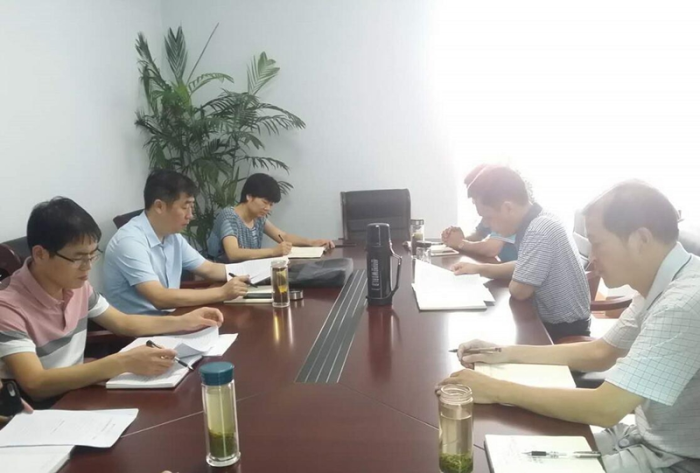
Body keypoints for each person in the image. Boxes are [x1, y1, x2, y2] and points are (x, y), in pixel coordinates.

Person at [442, 181, 700, 473]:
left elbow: (606, 408)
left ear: (641, 239)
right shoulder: (662, 282)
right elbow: (600, 352)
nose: (593, 258)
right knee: (511, 450)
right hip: (641, 437)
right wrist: (501, 352)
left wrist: (496, 389)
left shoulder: (682, 304)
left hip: (673, 459)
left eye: (598, 243)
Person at [0, 198, 224, 401]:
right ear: (40, 254)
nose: (88, 267)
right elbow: (36, 384)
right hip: (40, 411)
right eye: (78, 258)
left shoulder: (76, 285)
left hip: (80, 391)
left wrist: (184, 321)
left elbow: (123, 323)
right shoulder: (7, 305)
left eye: (92, 255)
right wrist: (122, 362)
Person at [451, 165, 590, 340]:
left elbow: (519, 291)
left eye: (488, 217)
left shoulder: (538, 230)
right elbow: (523, 265)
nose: (486, 224)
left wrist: (506, 275)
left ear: (508, 208)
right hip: (558, 323)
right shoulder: (541, 218)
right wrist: (479, 269)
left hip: (562, 332)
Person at [103, 170, 249, 315]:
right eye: (185, 207)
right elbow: (159, 297)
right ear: (159, 206)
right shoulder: (129, 242)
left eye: (191, 208)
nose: (190, 216)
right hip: (141, 327)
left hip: (172, 317)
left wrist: (254, 272)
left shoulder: (172, 236)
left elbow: (209, 269)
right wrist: (222, 293)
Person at [206, 173, 334, 263]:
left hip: (247, 273)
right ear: (249, 196)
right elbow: (233, 253)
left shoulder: (258, 218)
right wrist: (273, 251)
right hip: (222, 277)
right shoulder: (229, 216)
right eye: (265, 202)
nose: (268, 208)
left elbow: (283, 236)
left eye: (271, 204)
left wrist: (312, 243)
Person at [441, 164, 518, 262]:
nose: (473, 201)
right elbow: (478, 235)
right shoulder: (489, 214)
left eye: (474, 195)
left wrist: (460, 243)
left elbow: (490, 249)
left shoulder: (504, 212)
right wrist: (457, 239)